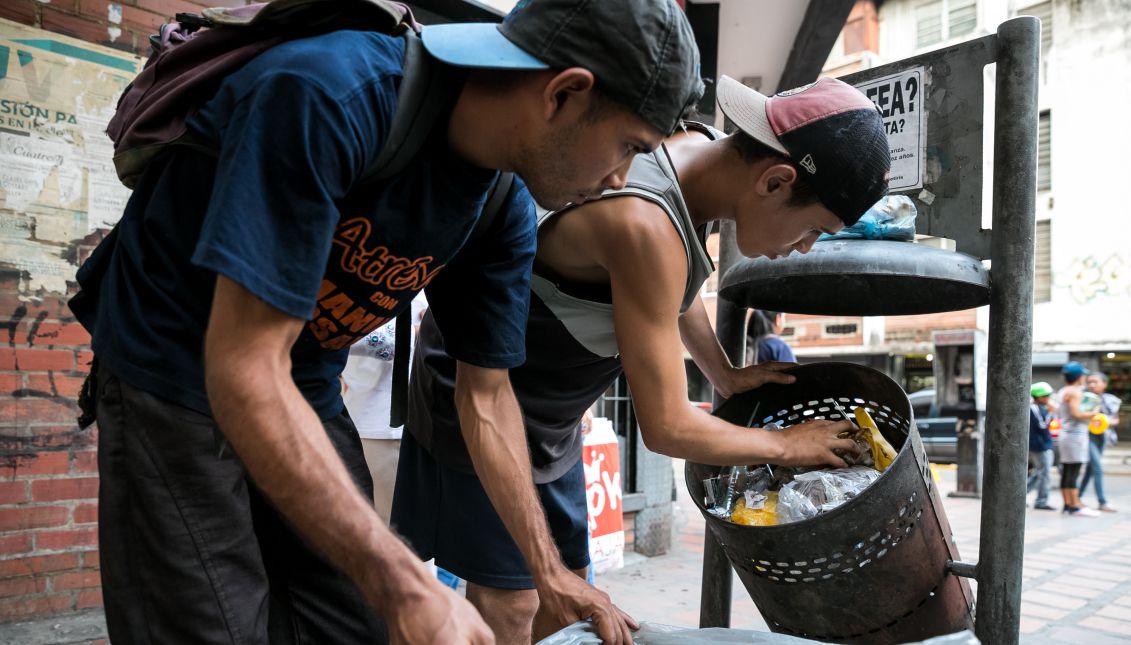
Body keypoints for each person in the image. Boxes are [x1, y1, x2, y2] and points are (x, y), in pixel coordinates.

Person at [67, 0, 704, 642]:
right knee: (215, 626)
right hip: (174, 366)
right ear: (565, 93)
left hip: (306, 378)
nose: (619, 178)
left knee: (354, 624)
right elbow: (244, 368)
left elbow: (485, 396)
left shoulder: (502, 204)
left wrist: (549, 571)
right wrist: (404, 582)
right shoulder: (327, 93)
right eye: (628, 146)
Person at [393, 75, 890, 644]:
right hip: (479, 396)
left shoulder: (696, 155)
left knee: (572, 598)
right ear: (776, 180)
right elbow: (667, 427)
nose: (803, 248)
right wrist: (788, 444)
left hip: (551, 416)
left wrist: (722, 371)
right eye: (813, 230)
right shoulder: (645, 224)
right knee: (513, 601)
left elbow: (673, 290)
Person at [342, 294, 428, 520]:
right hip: (380, 424)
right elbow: (339, 329)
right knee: (395, 532)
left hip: (437, 421)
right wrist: (420, 335)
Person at [1055, 362, 1100, 517]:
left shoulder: (1063, 391)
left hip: (1067, 435)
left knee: (1067, 471)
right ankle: (1075, 505)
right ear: (1079, 377)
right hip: (1075, 436)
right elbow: (1077, 414)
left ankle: (1068, 504)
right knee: (1073, 471)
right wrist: (1093, 413)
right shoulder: (1075, 392)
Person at [1080, 371, 1121, 512]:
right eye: (1089, 382)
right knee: (1097, 468)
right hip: (1087, 436)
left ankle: (1077, 497)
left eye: (1095, 382)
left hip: (1102, 437)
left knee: (1090, 470)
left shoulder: (1111, 400)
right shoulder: (1084, 399)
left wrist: (1106, 421)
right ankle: (1102, 502)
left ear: (1104, 384)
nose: (1091, 385)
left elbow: (1116, 419)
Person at [1027, 382, 1056, 510]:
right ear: (1038, 397)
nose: (1048, 399)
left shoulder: (1039, 408)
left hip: (1043, 445)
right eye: (1046, 396)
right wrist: (1051, 413)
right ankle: (1041, 501)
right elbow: (1042, 425)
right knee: (1044, 474)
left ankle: (1021, 496)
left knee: (1040, 473)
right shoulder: (1034, 409)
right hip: (1039, 446)